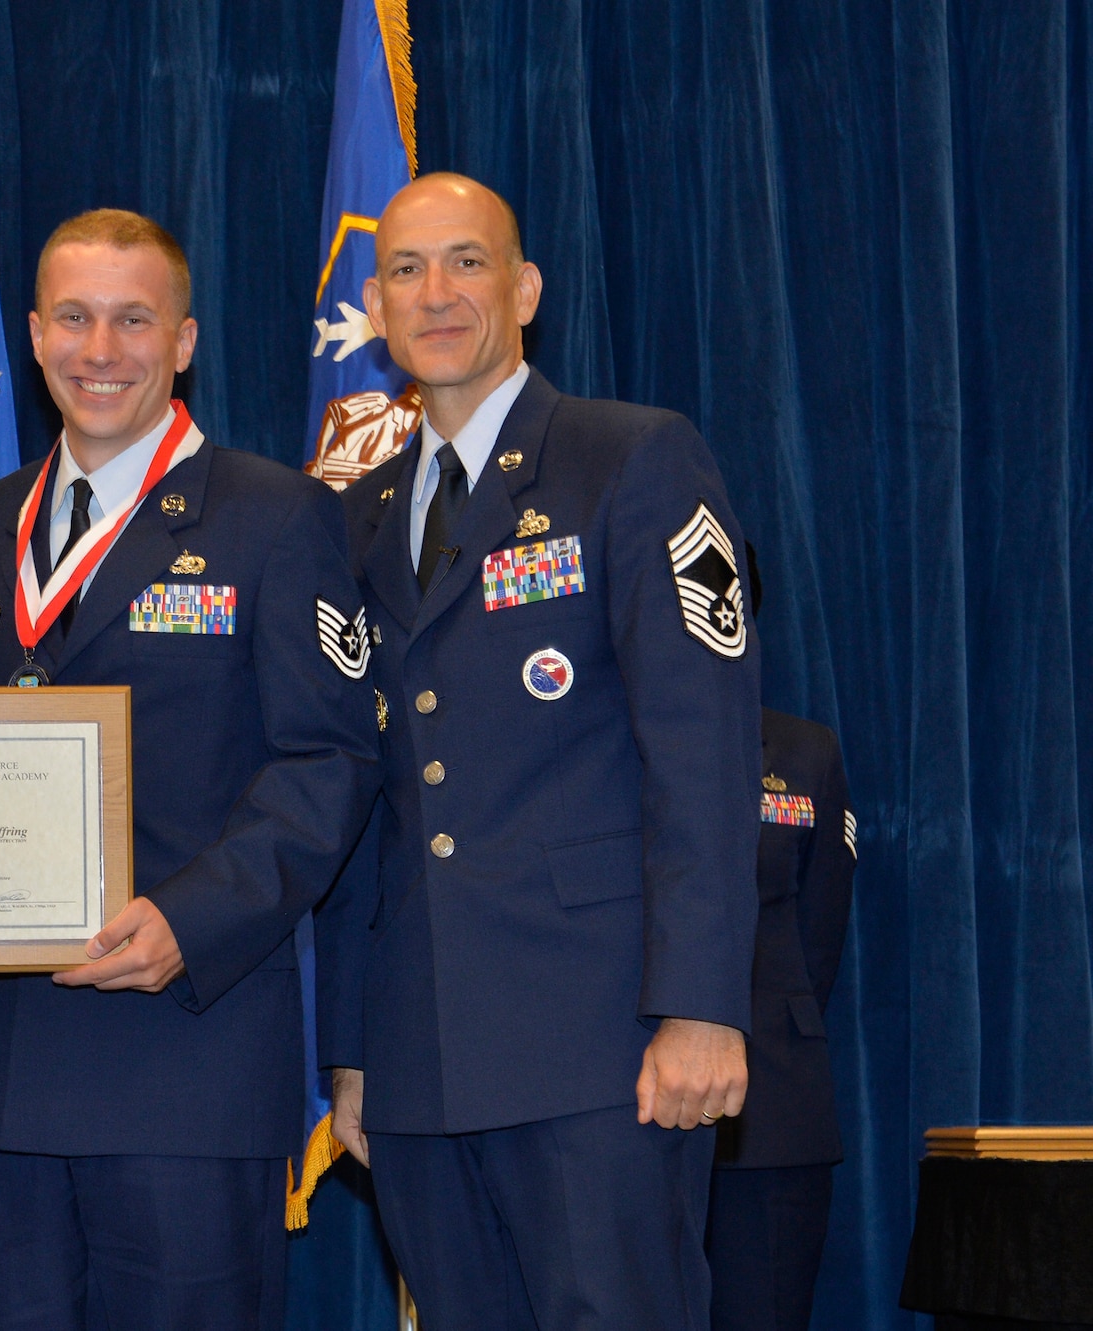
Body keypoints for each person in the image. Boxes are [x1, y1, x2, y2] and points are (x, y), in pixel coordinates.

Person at [316, 173, 762, 1328]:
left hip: (600, 1036)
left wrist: (702, 1002)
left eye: (467, 262)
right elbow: (361, 797)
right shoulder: (354, 518)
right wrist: (354, 1046)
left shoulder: (630, 458)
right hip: (420, 1044)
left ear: (523, 288)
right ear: (373, 306)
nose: (437, 292)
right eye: (407, 270)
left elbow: (702, 750)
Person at [0, 209, 381, 1331]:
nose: (100, 349)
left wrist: (192, 917)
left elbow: (327, 760)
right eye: (74, 318)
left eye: (133, 320)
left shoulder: (276, 516)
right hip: (14, 1064)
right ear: (32, 336)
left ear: (182, 340)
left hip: (191, 1048)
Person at [707, 557, 858, 1331]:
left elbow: (818, 937)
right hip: (611, 1110)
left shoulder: (806, 754)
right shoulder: (595, 748)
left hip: (768, 1108)